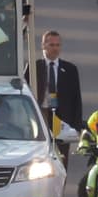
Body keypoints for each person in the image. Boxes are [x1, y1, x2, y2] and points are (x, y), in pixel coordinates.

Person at [28, 30, 82, 164]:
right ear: (43, 46)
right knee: (40, 154)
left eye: (58, 45)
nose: (55, 48)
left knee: (61, 156)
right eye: (51, 45)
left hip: (61, 118)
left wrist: (77, 126)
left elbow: (76, 99)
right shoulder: (34, 67)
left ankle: (60, 183)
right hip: (41, 114)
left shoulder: (70, 69)